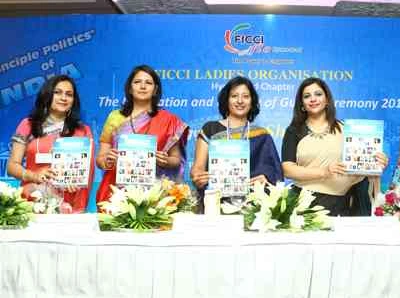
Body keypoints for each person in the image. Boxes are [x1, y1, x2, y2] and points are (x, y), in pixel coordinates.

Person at [281, 77, 387, 216]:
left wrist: (376, 163)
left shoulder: (348, 130)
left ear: (327, 100)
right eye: (307, 96)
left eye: (318, 94)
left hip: (342, 205)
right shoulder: (294, 131)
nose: (313, 99)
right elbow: (288, 169)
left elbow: (360, 166)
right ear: (302, 104)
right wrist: (323, 172)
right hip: (303, 204)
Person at [96, 65, 189, 205]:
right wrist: (107, 160)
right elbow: (100, 159)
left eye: (148, 83)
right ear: (130, 88)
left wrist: (166, 161)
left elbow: (176, 159)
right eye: (137, 82)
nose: (143, 86)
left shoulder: (169, 120)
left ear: (155, 90)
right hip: (116, 194)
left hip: (154, 196)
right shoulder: (115, 117)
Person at [190, 76, 283, 211]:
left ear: (252, 101)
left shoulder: (262, 135)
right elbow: (197, 168)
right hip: (215, 204)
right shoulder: (210, 129)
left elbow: (275, 174)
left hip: (252, 207)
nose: (240, 101)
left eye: (245, 96)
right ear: (226, 100)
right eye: (234, 96)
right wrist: (198, 176)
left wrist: (266, 180)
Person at [7, 75, 94, 213]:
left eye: (69, 94)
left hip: (69, 202)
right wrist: (34, 176)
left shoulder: (83, 131)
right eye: (57, 92)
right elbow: (12, 166)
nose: (63, 98)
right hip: (33, 200)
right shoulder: (28, 125)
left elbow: (88, 173)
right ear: (47, 95)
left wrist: (77, 181)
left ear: (73, 100)